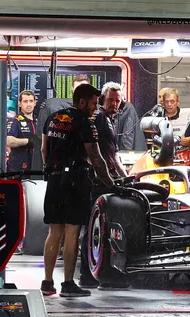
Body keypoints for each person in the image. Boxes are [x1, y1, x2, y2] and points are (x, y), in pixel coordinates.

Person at [40, 83, 114, 298]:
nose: (95, 107)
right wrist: (110, 183)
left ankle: (47, 283)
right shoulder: (85, 122)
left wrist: (52, 171)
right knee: (72, 232)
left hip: (54, 180)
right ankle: (68, 284)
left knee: (54, 232)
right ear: (81, 102)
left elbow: (44, 150)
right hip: (75, 181)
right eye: (93, 103)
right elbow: (96, 157)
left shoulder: (53, 118)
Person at [77, 82, 129, 289]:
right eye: (110, 100)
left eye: (117, 101)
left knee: (101, 228)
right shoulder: (98, 119)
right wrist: (105, 178)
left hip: (107, 179)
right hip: (97, 181)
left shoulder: (110, 121)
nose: (114, 104)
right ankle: (89, 274)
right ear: (102, 101)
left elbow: (113, 156)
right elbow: (93, 153)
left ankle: (96, 275)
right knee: (95, 228)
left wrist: (125, 177)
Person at [6, 90, 37, 172]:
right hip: (18, 168)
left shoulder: (38, 122)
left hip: (35, 167)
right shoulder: (15, 121)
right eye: (25, 101)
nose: (28, 104)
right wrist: (28, 141)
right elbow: (8, 141)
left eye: (31, 101)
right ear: (20, 104)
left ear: (35, 103)